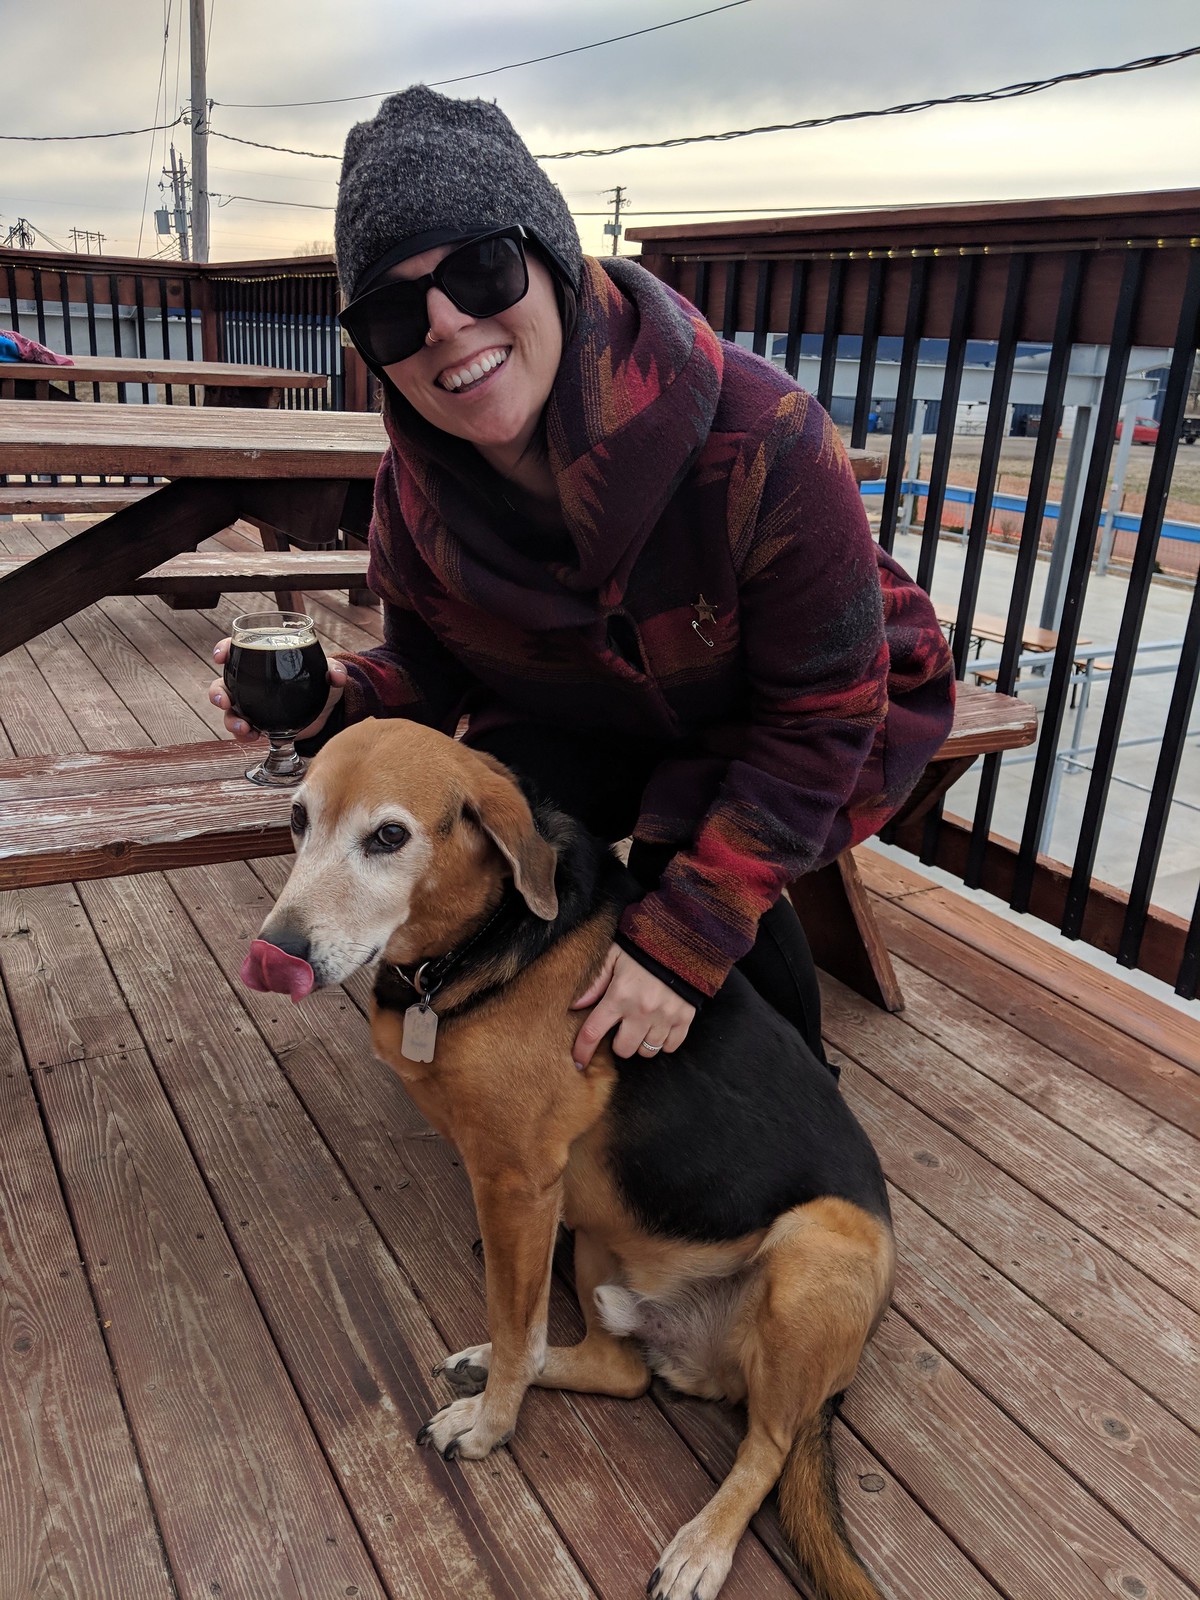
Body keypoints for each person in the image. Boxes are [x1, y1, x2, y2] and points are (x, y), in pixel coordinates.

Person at [209, 86, 955, 1073]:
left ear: (553, 258)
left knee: (696, 865)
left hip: (814, 716)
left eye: (480, 269)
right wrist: (336, 701)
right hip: (596, 708)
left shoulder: (767, 437)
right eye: (391, 311)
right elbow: (429, 676)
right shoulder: (413, 491)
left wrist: (684, 942)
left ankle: (791, 1118)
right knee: (506, 815)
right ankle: (518, 1069)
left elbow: (822, 716)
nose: (444, 324)